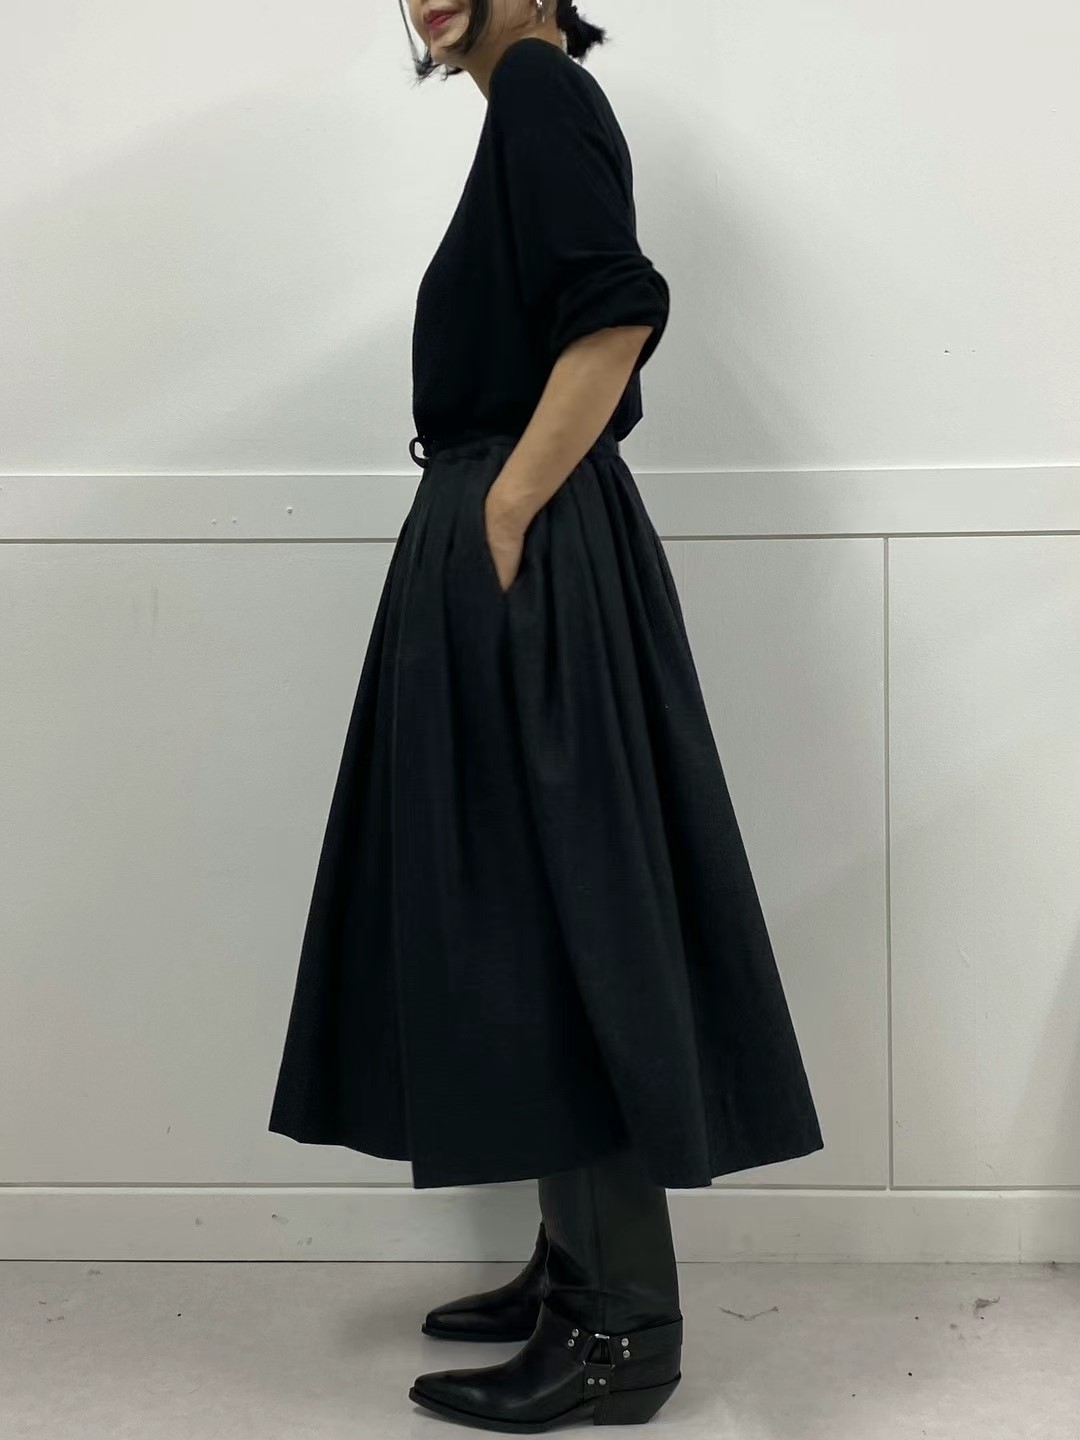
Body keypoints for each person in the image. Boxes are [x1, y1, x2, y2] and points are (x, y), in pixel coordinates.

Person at [268, 0, 825, 1429]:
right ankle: (573, 1263)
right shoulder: (526, 104)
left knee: (572, 919)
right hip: (520, 534)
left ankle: (621, 1330)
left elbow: (618, 310)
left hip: (534, 539)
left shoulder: (538, 91)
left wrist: (509, 509)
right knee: (532, 912)